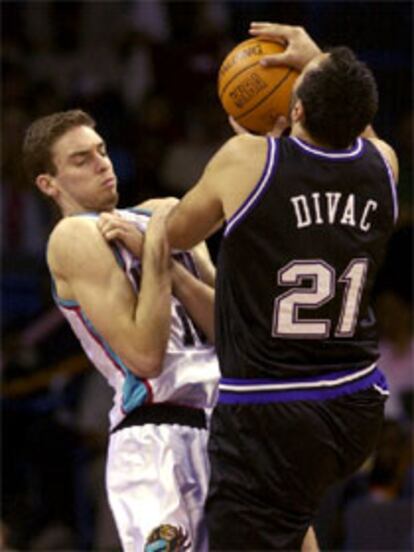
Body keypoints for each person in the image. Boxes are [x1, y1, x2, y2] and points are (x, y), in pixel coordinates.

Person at [164, 23, 399, 551]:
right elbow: (365, 131)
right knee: (291, 525)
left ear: (295, 111)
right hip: (356, 401)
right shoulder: (384, 165)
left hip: (272, 414)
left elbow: (179, 232)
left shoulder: (249, 159)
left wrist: (247, 140)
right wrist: (320, 59)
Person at [23, 109, 219, 552]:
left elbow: (234, 331)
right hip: (160, 437)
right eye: (80, 160)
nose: (102, 163)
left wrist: (158, 253)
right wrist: (155, 253)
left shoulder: (164, 213)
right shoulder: (74, 236)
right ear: (48, 184)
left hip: (228, 424)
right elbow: (145, 357)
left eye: (102, 151)